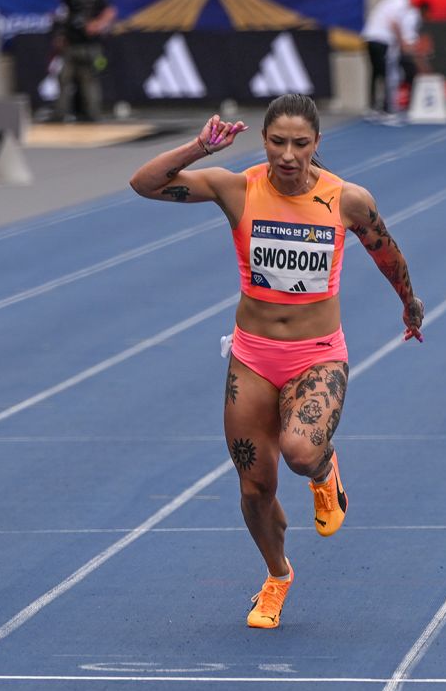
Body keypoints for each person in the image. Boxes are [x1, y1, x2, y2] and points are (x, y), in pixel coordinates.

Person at [129, 94, 424, 629]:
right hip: (253, 358)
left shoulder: (346, 200)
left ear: (317, 144)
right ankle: (277, 576)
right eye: (277, 142)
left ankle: (324, 468)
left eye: (300, 144)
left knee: (299, 449)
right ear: (263, 140)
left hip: (317, 355)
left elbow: (387, 250)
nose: (288, 155)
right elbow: (143, 184)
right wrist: (200, 146)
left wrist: (409, 302)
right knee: (254, 489)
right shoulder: (237, 188)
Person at [52, 0, 116, 122]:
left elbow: (110, 11)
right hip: (71, 43)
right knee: (63, 77)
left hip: (90, 46)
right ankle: (60, 114)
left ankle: (93, 114)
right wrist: (61, 35)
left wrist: (97, 24)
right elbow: (64, 13)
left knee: (89, 80)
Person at [361, 0, 414, 117]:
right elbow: (394, 22)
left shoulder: (387, 1)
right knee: (386, 73)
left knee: (375, 72)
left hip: (370, 37)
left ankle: (373, 105)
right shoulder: (403, 0)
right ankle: (386, 106)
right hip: (381, 39)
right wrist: (402, 41)